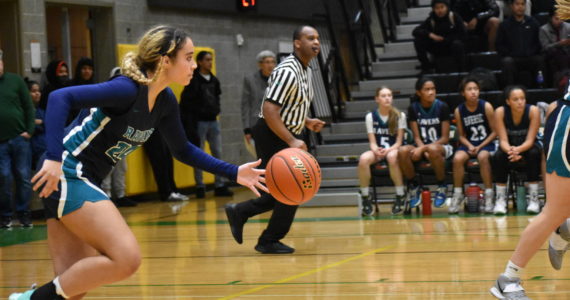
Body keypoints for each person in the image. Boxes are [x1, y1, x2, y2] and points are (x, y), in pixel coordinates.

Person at [8, 25, 266, 300]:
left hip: (81, 178)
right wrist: (53, 157)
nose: (193, 65)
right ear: (165, 60)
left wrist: (234, 171)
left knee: (73, 289)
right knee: (126, 258)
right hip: (68, 171)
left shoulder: (165, 100)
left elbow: (183, 150)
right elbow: (61, 97)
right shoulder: (126, 89)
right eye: (188, 57)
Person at [224, 25, 325, 254]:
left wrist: (306, 121)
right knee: (292, 189)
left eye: (318, 38)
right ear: (297, 43)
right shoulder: (287, 70)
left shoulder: (306, 69)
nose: (316, 42)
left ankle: (240, 212)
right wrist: (291, 140)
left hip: (285, 132)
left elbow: (289, 105)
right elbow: (269, 110)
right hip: (273, 134)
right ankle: (267, 239)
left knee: (283, 190)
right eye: (310, 38)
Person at [180, 51, 233, 198]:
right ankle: (200, 185)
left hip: (213, 121)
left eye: (211, 60)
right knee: (199, 153)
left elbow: (217, 98)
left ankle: (220, 184)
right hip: (199, 122)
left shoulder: (214, 80)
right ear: (200, 62)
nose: (210, 62)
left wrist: (217, 110)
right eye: (207, 60)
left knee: (218, 152)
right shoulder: (193, 80)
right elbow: (185, 102)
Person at [398, 77, 452, 210]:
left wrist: (424, 149)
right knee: (403, 151)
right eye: (427, 89)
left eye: (433, 89)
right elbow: (416, 136)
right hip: (421, 145)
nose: (431, 92)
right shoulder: (413, 108)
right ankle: (414, 186)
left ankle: (442, 186)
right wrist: (422, 149)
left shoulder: (442, 106)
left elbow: (445, 138)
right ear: (419, 93)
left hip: (442, 147)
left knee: (433, 149)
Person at [491, 85, 541, 215]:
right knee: (498, 156)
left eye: (522, 98)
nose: (520, 102)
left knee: (534, 154)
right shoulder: (500, 112)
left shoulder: (533, 111)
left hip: (527, 147)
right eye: (515, 99)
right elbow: (502, 140)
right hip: (509, 148)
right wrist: (512, 152)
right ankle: (500, 200)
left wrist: (517, 150)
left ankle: (534, 199)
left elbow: (530, 140)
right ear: (507, 101)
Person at [449, 78, 496, 213]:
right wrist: (470, 145)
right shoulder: (459, 110)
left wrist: (480, 146)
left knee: (482, 157)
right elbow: (461, 135)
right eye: (469, 89)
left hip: (486, 143)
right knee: (457, 159)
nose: (473, 92)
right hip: (469, 144)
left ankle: (488, 195)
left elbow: (495, 132)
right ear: (463, 93)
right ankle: (457, 195)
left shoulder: (486, 106)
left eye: (475, 89)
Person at [357, 87, 407, 216]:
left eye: (389, 95)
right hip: (378, 151)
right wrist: (376, 150)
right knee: (363, 159)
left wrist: (388, 150)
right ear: (377, 99)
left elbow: (399, 142)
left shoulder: (399, 116)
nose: (387, 98)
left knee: (391, 157)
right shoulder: (370, 117)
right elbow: (372, 142)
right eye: (384, 96)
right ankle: (366, 197)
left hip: (394, 149)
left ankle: (400, 195)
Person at [0, 49, 35, 229]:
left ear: (2, 63)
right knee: (4, 177)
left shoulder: (15, 80)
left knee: (23, 176)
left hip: (20, 138)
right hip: (0, 143)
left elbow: (29, 107)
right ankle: (5, 215)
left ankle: (24, 213)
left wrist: (29, 130)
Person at [496, 0, 544, 88]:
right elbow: (499, 45)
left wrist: (531, 52)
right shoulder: (504, 25)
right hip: (513, 58)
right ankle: (509, 90)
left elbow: (538, 43)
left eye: (522, 4)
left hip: (529, 57)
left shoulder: (533, 23)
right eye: (517, 4)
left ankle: (539, 88)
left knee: (539, 60)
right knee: (507, 62)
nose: (520, 7)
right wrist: (510, 53)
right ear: (511, 6)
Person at [412, 0, 466, 73]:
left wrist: (446, 39)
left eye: (442, 7)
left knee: (457, 45)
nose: (440, 10)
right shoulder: (431, 19)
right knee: (418, 40)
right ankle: (426, 67)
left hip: (452, 46)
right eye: (437, 8)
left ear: (447, 7)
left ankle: (461, 70)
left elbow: (463, 33)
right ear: (433, 9)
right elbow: (415, 31)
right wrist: (430, 35)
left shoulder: (453, 16)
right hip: (438, 47)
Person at [241, 50, 277, 158]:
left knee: (277, 155)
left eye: (273, 62)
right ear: (260, 64)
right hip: (257, 123)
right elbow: (245, 105)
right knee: (262, 157)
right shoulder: (250, 80)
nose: (270, 65)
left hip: (276, 122)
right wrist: (246, 128)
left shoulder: (278, 79)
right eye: (267, 62)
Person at [539, 7, 570, 88]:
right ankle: (563, 78)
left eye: (561, 18)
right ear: (550, 18)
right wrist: (559, 43)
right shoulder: (543, 29)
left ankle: (564, 78)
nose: (559, 21)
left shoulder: (568, 27)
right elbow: (545, 47)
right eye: (556, 18)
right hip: (549, 55)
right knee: (556, 54)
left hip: (566, 53)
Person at [26, 78, 45, 171]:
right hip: (28, 149)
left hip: (42, 148)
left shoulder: (41, 111)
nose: (37, 93)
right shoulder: (22, 112)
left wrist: (41, 122)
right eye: (33, 91)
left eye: (39, 91)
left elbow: (47, 125)